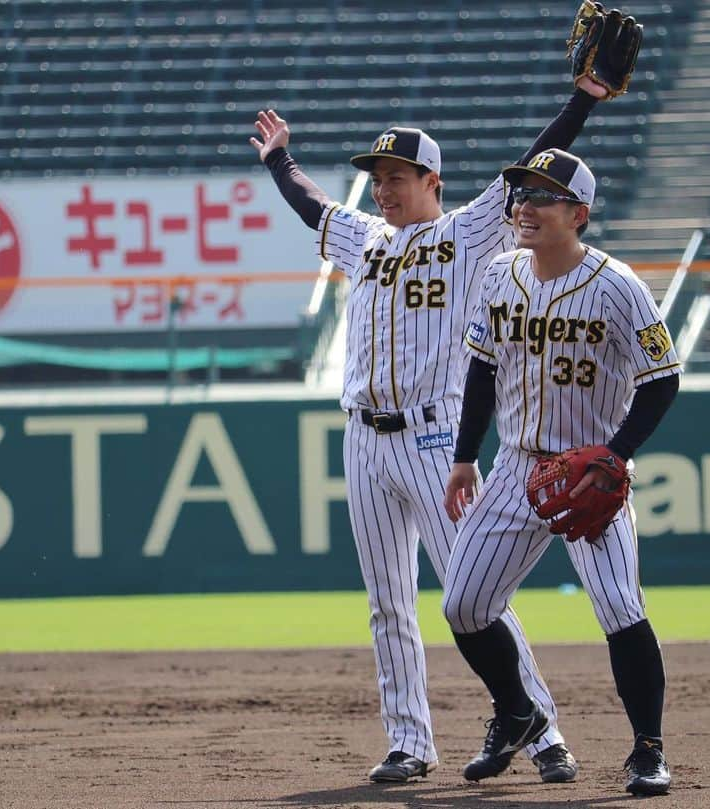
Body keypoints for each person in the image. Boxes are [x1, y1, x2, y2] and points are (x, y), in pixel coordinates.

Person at [251, 82, 616, 783]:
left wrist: (583, 102)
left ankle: (543, 732)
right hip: (363, 436)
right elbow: (312, 207)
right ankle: (409, 741)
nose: (382, 189)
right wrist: (279, 159)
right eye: (377, 179)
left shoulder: (468, 232)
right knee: (387, 598)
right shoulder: (366, 239)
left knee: (476, 591)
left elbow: (533, 160)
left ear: (431, 181)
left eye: (395, 177)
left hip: (434, 438)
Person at [441, 148, 680, 795]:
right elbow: (482, 370)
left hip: (590, 472)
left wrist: (617, 452)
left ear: (579, 212)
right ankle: (518, 710)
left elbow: (663, 378)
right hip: (517, 463)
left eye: (543, 197)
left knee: (620, 606)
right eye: (521, 195)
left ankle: (648, 750)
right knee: (463, 604)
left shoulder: (618, 285)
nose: (525, 207)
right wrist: (465, 455)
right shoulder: (499, 274)